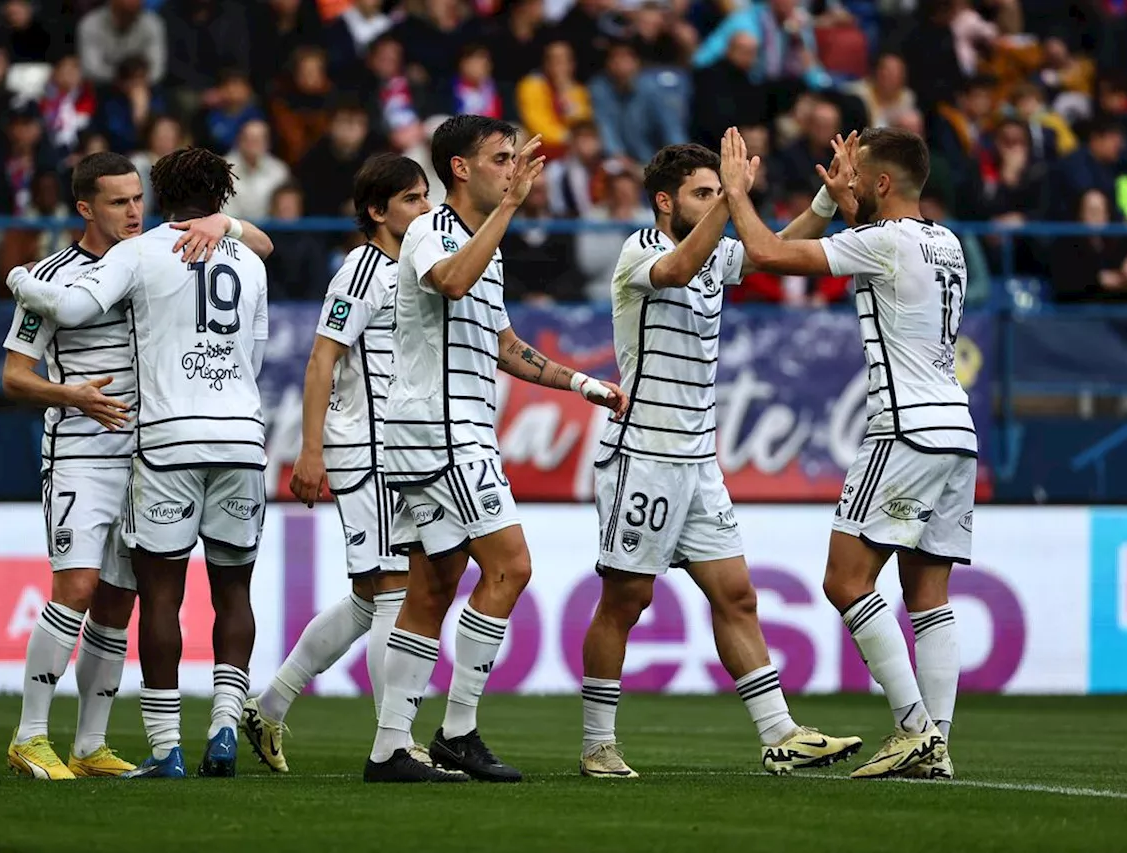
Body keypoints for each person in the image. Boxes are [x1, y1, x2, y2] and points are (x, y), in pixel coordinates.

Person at [579, 140, 863, 779]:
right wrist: (734, 197)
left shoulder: (715, 254)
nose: (715, 202)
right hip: (643, 455)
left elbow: (782, 246)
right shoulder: (641, 253)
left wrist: (824, 197)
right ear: (665, 201)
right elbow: (678, 269)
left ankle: (779, 734)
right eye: (701, 193)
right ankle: (598, 744)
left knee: (736, 595)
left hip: (699, 460)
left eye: (718, 190)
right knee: (626, 600)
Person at [365, 114, 628, 783]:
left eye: (515, 158)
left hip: (451, 430)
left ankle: (390, 748)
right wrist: (510, 208)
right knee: (510, 566)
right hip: (441, 431)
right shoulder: (431, 229)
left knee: (433, 586)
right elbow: (449, 281)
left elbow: (504, 346)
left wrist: (580, 383)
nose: (514, 169)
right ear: (461, 167)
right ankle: (457, 730)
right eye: (501, 157)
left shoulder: (492, 245)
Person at [1, 151, 273, 780]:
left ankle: (90, 744)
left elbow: (256, 245)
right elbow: (14, 376)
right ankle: (30, 734)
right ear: (85, 209)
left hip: (145, 457)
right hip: (79, 454)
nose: (132, 211)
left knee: (119, 603)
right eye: (118, 202)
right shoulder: (53, 275)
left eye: (136, 199)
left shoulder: (163, 255)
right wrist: (72, 395)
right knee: (76, 588)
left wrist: (226, 226)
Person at [722, 126, 972, 780]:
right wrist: (844, 201)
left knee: (845, 579)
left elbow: (767, 252)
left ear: (883, 183)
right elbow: (878, 254)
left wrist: (737, 191)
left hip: (906, 428)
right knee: (929, 594)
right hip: (957, 428)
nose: (849, 179)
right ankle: (936, 744)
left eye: (858, 173)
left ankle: (915, 729)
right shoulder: (947, 242)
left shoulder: (884, 241)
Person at [241, 154, 433, 773]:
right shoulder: (362, 268)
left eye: (426, 196)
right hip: (367, 449)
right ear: (377, 212)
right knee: (395, 592)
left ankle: (269, 705)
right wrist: (312, 449)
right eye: (411, 199)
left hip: (401, 448)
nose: (425, 208)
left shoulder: (415, 269)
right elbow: (322, 358)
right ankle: (394, 741)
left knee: (366, 596)